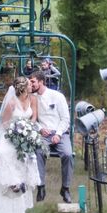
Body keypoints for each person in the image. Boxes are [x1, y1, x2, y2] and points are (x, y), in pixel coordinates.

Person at [0, 76, 40, 213]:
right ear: (23, 88)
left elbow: (34, 117)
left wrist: (27, 129)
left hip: (25, 134)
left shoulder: (33, 99)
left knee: (26, 154)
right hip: (11, 135)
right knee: (4, 152)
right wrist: (16, 131)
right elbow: (4, 123)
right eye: (29, 85)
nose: (31, 86)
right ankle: (12, 183)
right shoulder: (12, 103)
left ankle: (22, 181)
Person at [29, 70, 74, 203]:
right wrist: (41, 129)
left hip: (60, 132)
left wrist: (59, 134)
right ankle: (41, 186)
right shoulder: (33, 98)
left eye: (33, 82)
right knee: (38, 151)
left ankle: (65, 188)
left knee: (68, 154)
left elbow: (65, 118)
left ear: (41, 82)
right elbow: (33, 119)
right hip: (44, 132)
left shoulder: (57, 96)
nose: (30, 85)